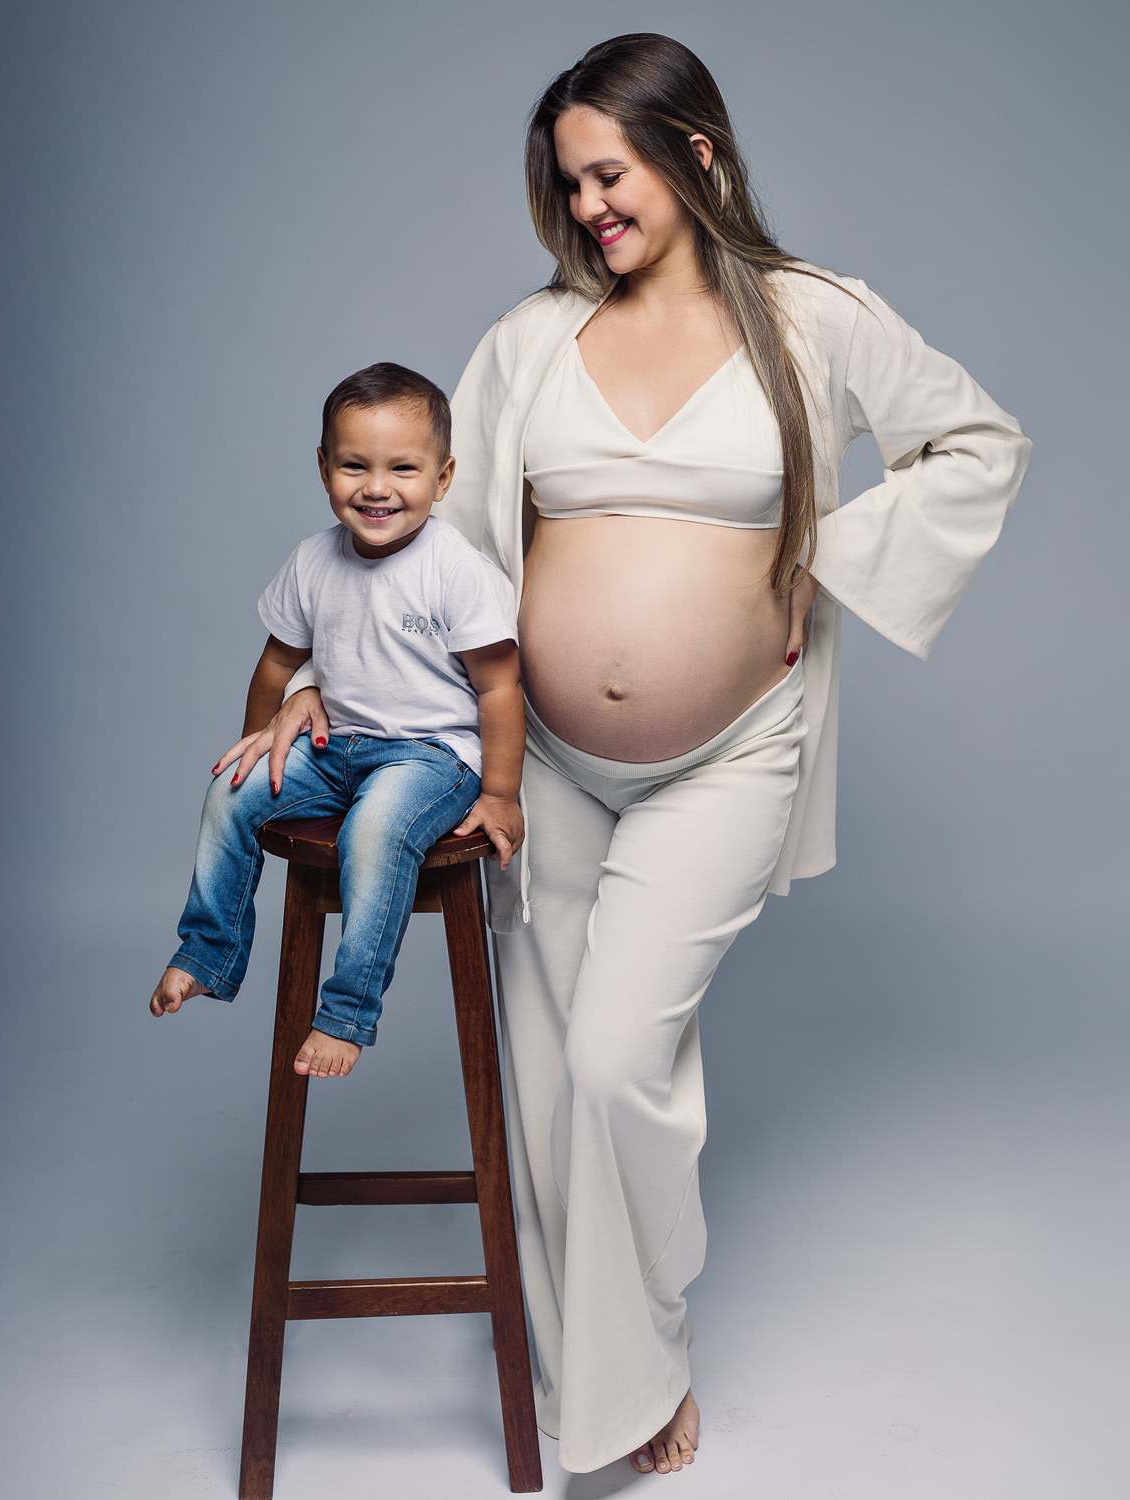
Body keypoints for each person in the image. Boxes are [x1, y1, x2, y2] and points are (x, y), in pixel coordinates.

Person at [239, 32, 1031, 1478]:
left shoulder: (811, 316)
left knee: (617, 1064)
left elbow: (977, 443)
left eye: (610, 174)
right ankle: (609, 1384)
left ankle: (645, 1331)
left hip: (728, 757)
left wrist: (825, 559)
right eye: (570, 184)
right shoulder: (533, 339)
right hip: (535, 762)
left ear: (695, 152)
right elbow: (431, 552)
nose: (589, 206)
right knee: (549, 1080)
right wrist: (324, 689)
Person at [149, 363, 523, 1079]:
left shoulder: (456, 570)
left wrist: (501, 793)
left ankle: (347, 1011)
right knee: (231, 791)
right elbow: (275, 664)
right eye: (355, 466)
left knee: (373, 830)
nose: (377, 487)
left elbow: (501, 687)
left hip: (431, 757)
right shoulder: (312, 561)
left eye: (403, 469)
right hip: (336, 747)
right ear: (324, 467)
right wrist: (261, 739)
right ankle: (206, 951)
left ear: (443, 477)